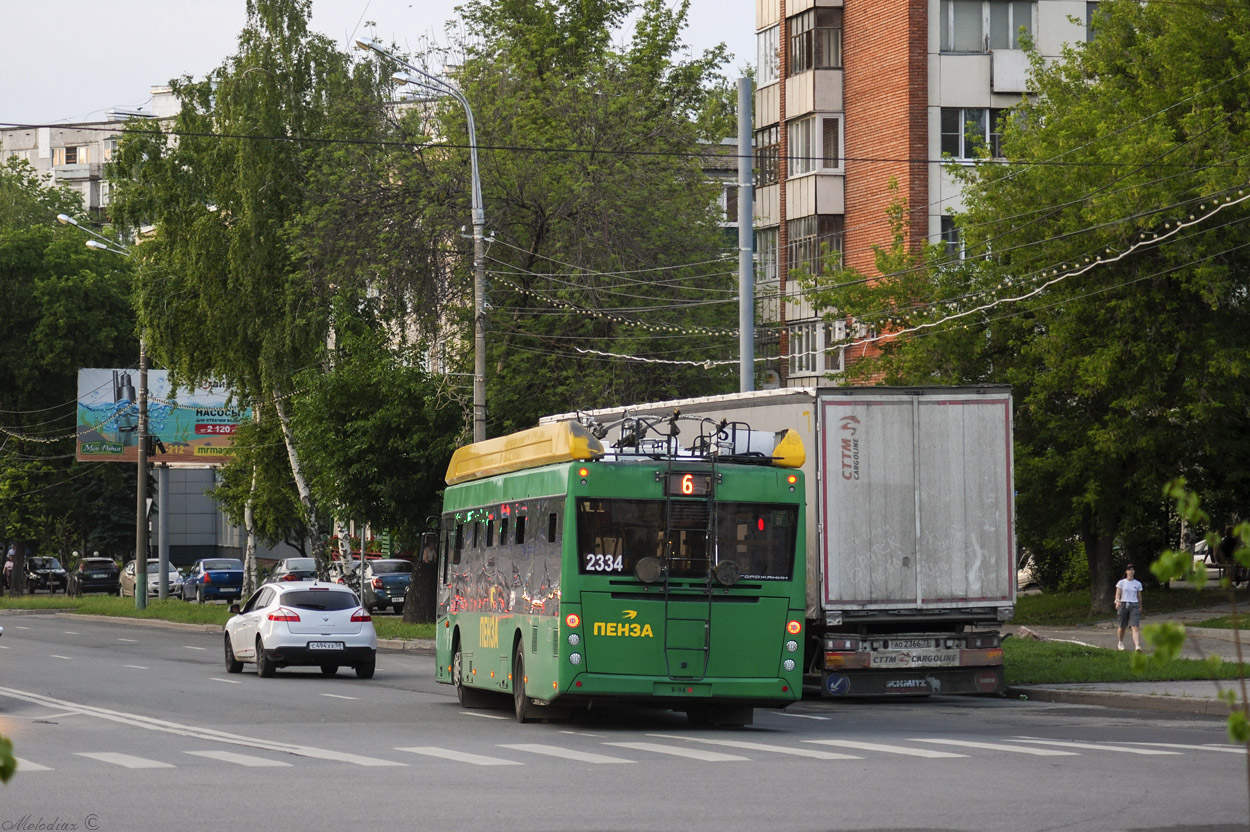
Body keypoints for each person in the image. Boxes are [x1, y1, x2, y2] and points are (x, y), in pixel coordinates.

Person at [1114, 564, 1145, 652]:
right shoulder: (1121, 582)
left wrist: (1140, 606)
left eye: (1133, 570)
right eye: (1129, 570)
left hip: (1134, 605)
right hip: (1123, 604)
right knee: (1122, 626)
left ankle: (1137, 646)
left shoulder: (1137, 583)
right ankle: (1120, 642)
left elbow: (1139, 596)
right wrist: (1117, 601)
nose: (1131, 571)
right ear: (1126, 572)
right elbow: (1118, 594)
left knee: (1135, 626)